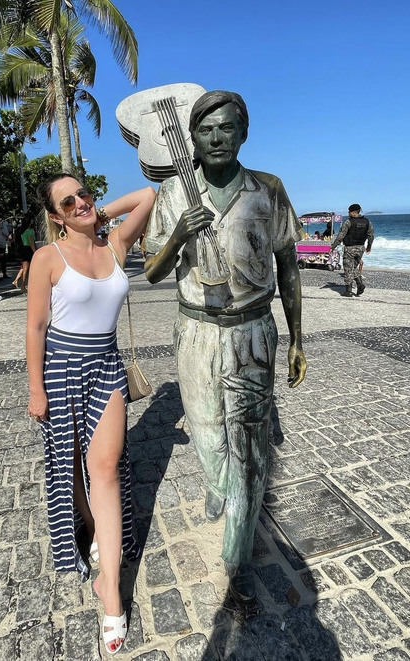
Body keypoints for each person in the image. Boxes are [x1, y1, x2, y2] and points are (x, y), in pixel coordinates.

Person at [143, 90, 307, 604]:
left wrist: (298, 338)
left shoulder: (268, 189)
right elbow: (151, 272)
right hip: (195, 332)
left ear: (243, 133)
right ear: (192, 138)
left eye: (227, 127)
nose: (217, 137)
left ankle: (238, 556)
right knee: (208, 433)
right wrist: (177, 236)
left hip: (252, 329)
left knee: (252, 446)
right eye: (206, 129)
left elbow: (288, 264)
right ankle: (219, 484)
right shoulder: (173, 192)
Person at [26, 174, 155, 654]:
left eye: (84, 194)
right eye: (68, 202)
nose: (81, 202)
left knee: (105, 468)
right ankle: (95, 528)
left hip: (106, 366)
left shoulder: (115, 244)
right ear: (54, 216)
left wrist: (98, 215)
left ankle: (110, 591)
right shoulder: (48, 258)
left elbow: (147, 195)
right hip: (61, 367)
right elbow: (36, 327)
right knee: (71, 463)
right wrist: (36, 388)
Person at [330, 203, 374, 297]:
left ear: (353, 212)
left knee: (347, 268)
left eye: (349, 211)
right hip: (361, 248)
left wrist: (333, 247)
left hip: (350, 248)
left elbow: (340, 236)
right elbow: (371, 235)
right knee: (353, 267)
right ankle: (360, 284)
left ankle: (348, 290)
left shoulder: (348, 222)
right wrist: (369, 247)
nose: (348, 213)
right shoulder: (367, 222)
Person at [13, 214, 37, 293]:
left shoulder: (21, 230)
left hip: (23, 249)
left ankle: (20, 283)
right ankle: (23, 286)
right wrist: (35, 252)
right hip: (28, 250)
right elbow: (31, 243)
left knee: (24, 268)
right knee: (26, 269)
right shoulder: (29, 231)